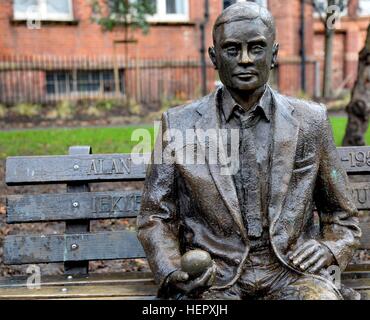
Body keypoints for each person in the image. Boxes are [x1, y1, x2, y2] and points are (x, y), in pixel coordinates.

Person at [137, 2, 361, 300]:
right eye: (232, 50)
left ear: (274, 55)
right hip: (214, 278)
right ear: (214, 58)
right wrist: (171, 269)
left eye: (256, 48)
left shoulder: (311, 121)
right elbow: (156, 216)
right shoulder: (179, 124)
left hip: (291, 273)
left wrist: (329, 247)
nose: (244, 59)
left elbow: (342, 215)